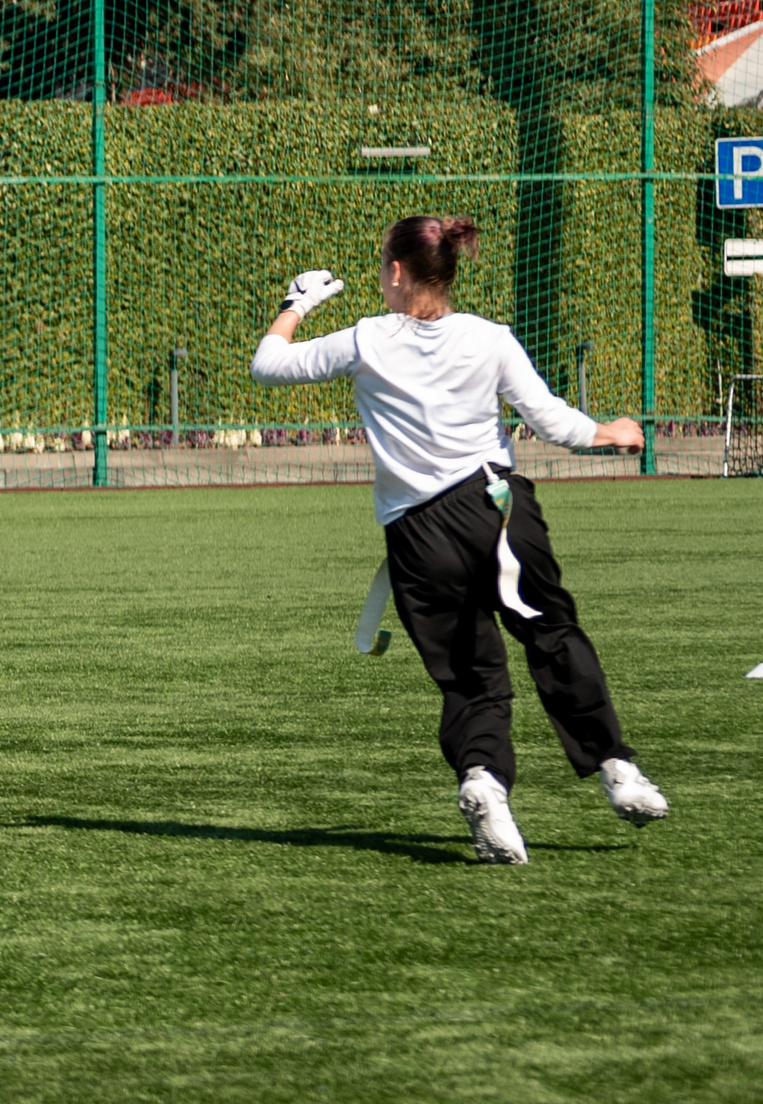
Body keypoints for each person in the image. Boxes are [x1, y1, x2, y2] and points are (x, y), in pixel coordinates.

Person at [251, 215, 668, 864]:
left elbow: (267, 365)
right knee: (551, 634)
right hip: (494, 509)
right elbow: (551, 421)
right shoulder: (489, 337)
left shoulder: (365, 340)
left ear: (396, 271)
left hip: (415, 535)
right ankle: (618, 770)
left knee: (471, 673)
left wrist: (296, 304)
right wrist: (613, 433)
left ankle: (484, 782)